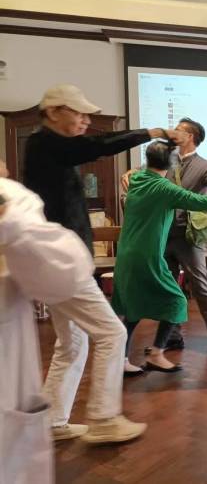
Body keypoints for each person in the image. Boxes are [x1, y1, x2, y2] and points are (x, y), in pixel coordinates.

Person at [23, 84, 174, 442]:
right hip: (62, 263)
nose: (85, 120)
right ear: (54, 112)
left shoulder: (47, 146)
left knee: (72, 343)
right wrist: (152, 131)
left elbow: (90, 145)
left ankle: (52, 422)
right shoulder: (45, 144)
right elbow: (97, 145)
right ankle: (105, 419)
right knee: (112, 333)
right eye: (77, 113)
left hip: (58, 262)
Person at [0, 164, 93, 484]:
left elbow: (61, 277)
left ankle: (57, 419)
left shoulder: (12, 201)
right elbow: (66, 275)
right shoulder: (13, 202)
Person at [112, 141, 207, 372]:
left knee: (133, 308)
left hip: (127, 255)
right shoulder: (163, 188)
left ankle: (122, 361)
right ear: (171, 163)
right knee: (177, 301)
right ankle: (157, 353)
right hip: (147, 256)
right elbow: (202, 202)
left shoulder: (137, 180)